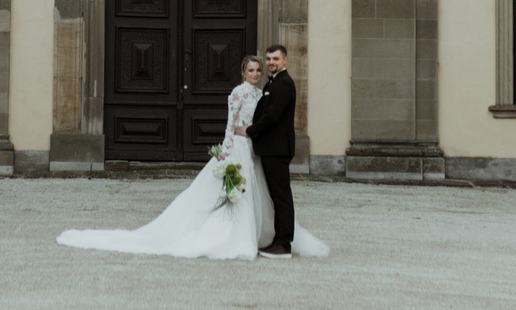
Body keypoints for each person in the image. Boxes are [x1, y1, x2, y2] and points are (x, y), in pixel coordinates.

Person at [56, 53, 327, 261]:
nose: (256, 73)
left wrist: (253, 133)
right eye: (252, 69)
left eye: (260, 68)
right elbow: (230, 123)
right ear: (243, 72)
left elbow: (267, 119)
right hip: (239, 148)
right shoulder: (238, 93)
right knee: (236, 193)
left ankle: (265, 236)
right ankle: (234, 236)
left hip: (256, 150)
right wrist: (226, 149)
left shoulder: (263, 92)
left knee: (260, 192)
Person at [251, 44, 298, 257]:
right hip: (272, 148)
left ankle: (284, 244)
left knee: (281, 197)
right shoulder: (275, 82)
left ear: (285, 61)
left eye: (276, 59)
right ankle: (279, 240)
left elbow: (272, 116)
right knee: (277, 196)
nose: (271, 62)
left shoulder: (284, 84)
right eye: (268, 59)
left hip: (278, 149)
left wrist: (250, 130)